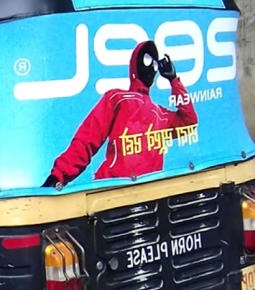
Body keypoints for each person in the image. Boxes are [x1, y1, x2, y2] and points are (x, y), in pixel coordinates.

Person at [43, 41, 198, 188]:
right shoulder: (117, 99)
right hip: (113, 189)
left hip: (149, 194)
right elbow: (87, 139)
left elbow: (189, 122)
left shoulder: (160, 114)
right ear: (136, 64)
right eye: (147, 59)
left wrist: (173, 80)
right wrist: (58, 177)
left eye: (155, 64)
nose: (151, 67)